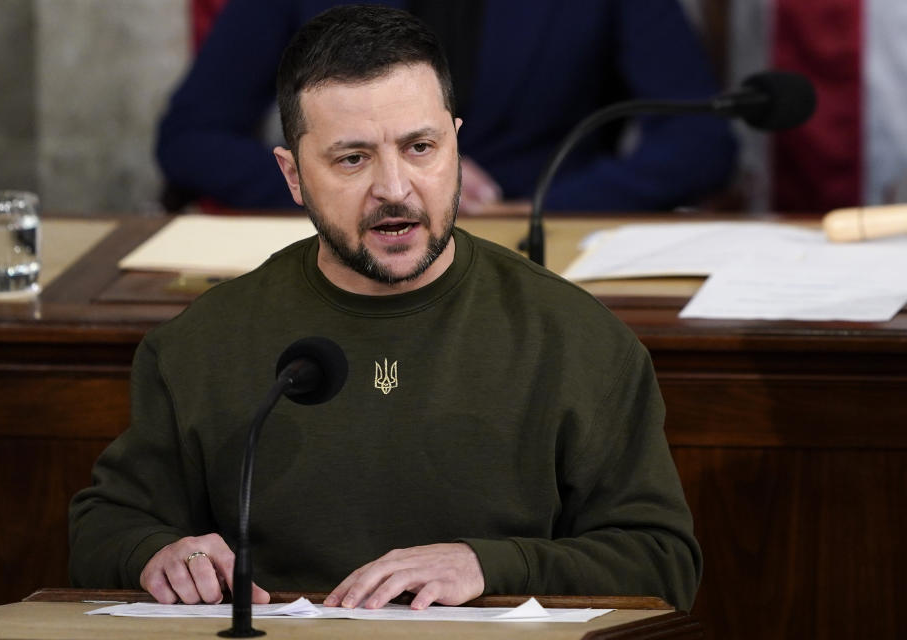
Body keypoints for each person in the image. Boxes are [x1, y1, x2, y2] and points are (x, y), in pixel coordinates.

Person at [70, 5, 700, 611]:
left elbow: (662, 561)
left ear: (455, 144)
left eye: (420, 148)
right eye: (353, 159)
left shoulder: (578, 339)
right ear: (292, 177)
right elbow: (106, 527)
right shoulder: (202, 343)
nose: (394, 190)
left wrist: (490, 565)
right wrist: (157, 553)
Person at [156, 0, 736, 214]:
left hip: (539, 251)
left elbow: (701, 143)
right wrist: (344, 182)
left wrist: (534, 207)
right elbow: (191, 137)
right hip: (348, 259)